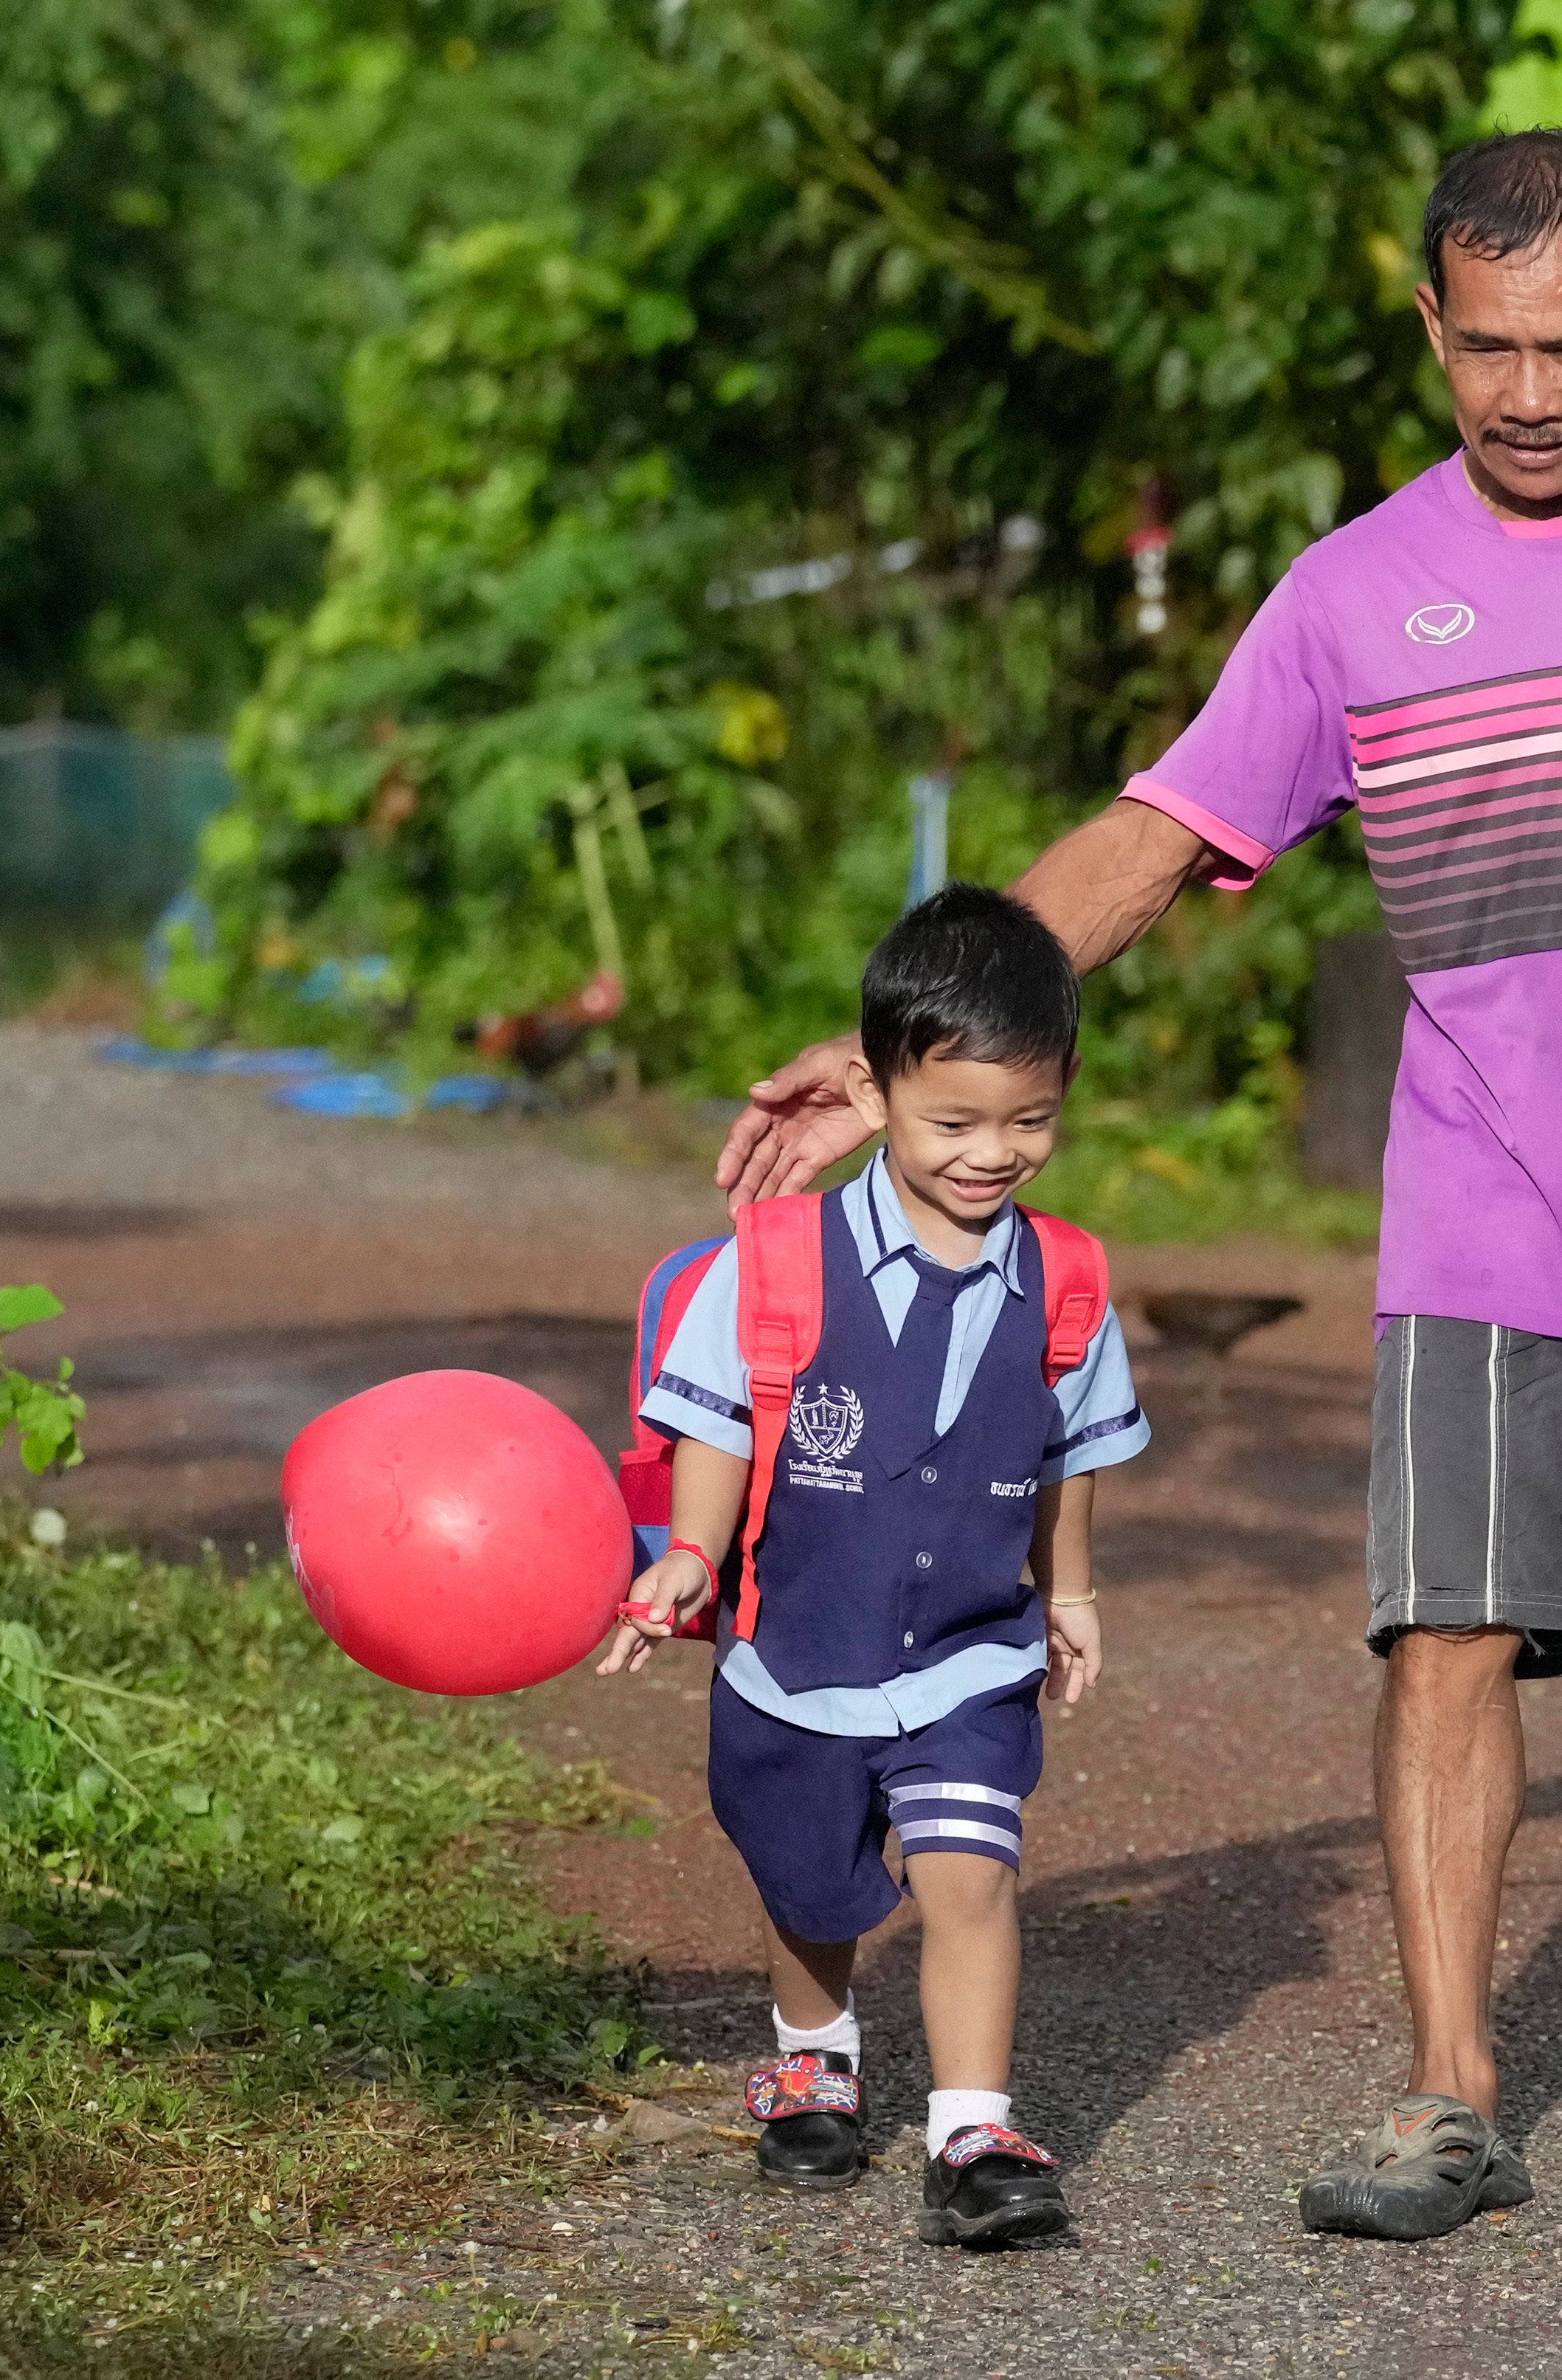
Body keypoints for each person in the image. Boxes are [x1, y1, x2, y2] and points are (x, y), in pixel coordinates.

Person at [717, 130, 1562, 2242]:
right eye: (1487, 346)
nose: (1529, 393)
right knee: (1448, 1632)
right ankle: (1452, 2081)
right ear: (1431, 325)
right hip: (1489, 1209)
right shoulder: (1351, 596)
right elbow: (1143, 850)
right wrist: (889, 1042)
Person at [607, 884, 1150, 2248]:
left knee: (968, 1871)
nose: (993, 1153)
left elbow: (1070, 1447)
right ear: (870, 1084)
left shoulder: (1069, 1281)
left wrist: (1068, 1587)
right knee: (809, 1880)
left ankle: (972, 2123)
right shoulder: (778, 1261)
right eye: (954, 1121)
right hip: (800, 1642)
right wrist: (686, 1552)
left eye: (1028, 1120)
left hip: (973, 1644)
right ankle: (815, 2053)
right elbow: (724, 1418)